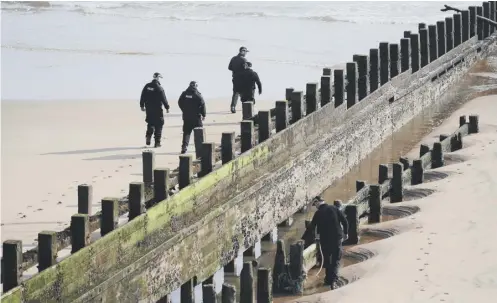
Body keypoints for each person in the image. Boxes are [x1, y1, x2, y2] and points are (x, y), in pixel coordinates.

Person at [301, 196, 349, 290]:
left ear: (318, 202)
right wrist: (346, 233)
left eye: (315, 204)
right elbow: (344, 221)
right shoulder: (334, 208)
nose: (315, 206)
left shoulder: (318, 213)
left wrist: (302, 239)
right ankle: (333, 280)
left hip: (325, 240)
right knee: (335, 259)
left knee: (327, 259)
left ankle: (328, 280)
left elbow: (311, 227)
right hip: (336, 238)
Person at [140, 72, 170, 148]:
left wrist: (142, 105)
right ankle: (157, 143)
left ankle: (148, 137)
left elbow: (142, 96)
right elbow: (164, 99)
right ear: (158, 78)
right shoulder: (159, 88)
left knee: (150, 123)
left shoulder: (147, 86)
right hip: (157, 110)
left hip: (149, 109)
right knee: (159, 125)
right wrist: (167, 107)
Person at [178, 81, 206, 154]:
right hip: (196, 117)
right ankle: (200, 149)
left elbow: (179, 102)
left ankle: (184, 147)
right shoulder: (197, 94)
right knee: (199, 133)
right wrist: (203, 114)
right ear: (196, 86)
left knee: (186, 133)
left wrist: (184, 110)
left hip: (186, 117)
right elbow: (202, 104)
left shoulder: (184, 93)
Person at [228, 46, 249, 113]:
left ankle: (233, 106)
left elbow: (229, 68)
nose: (246, 53)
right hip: (242, 79)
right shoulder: (244, 60)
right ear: (242, 51)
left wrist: (235, 70)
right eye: (245, 51)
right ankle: (245, 107)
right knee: (244, 93)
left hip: (235, 78)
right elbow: (246, 70)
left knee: (235, 93)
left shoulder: (233, 58)